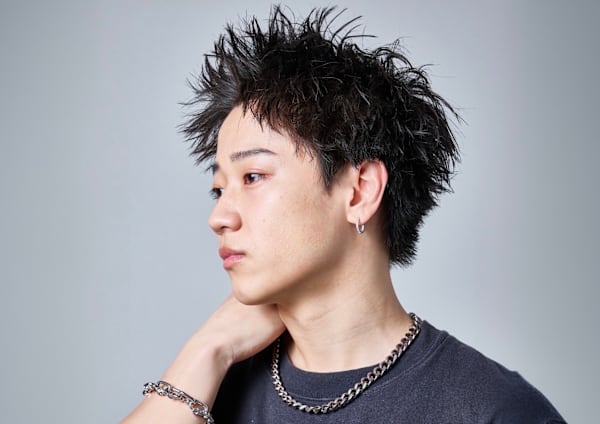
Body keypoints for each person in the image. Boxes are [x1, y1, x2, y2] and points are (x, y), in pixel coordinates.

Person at [122, 6, 565, 423]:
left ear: (359, 191)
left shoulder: (490, 408)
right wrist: (207, 350)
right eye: (219, 189)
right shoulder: (204, 391)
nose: (219, 217)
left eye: (253, 177)